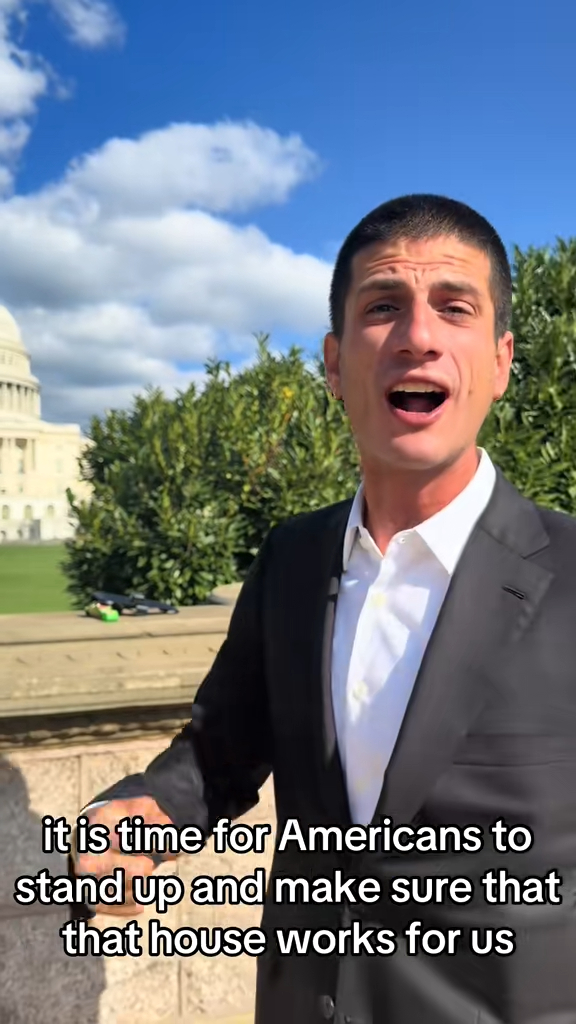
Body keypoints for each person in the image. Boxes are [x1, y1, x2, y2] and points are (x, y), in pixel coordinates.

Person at [75, 194, 576, 1023]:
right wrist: (147, 813)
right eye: (384, 307)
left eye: (454, 307)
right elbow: (223, 750)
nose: (418, 334)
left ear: (501, 360)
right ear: (335, 364)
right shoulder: (293, 560)